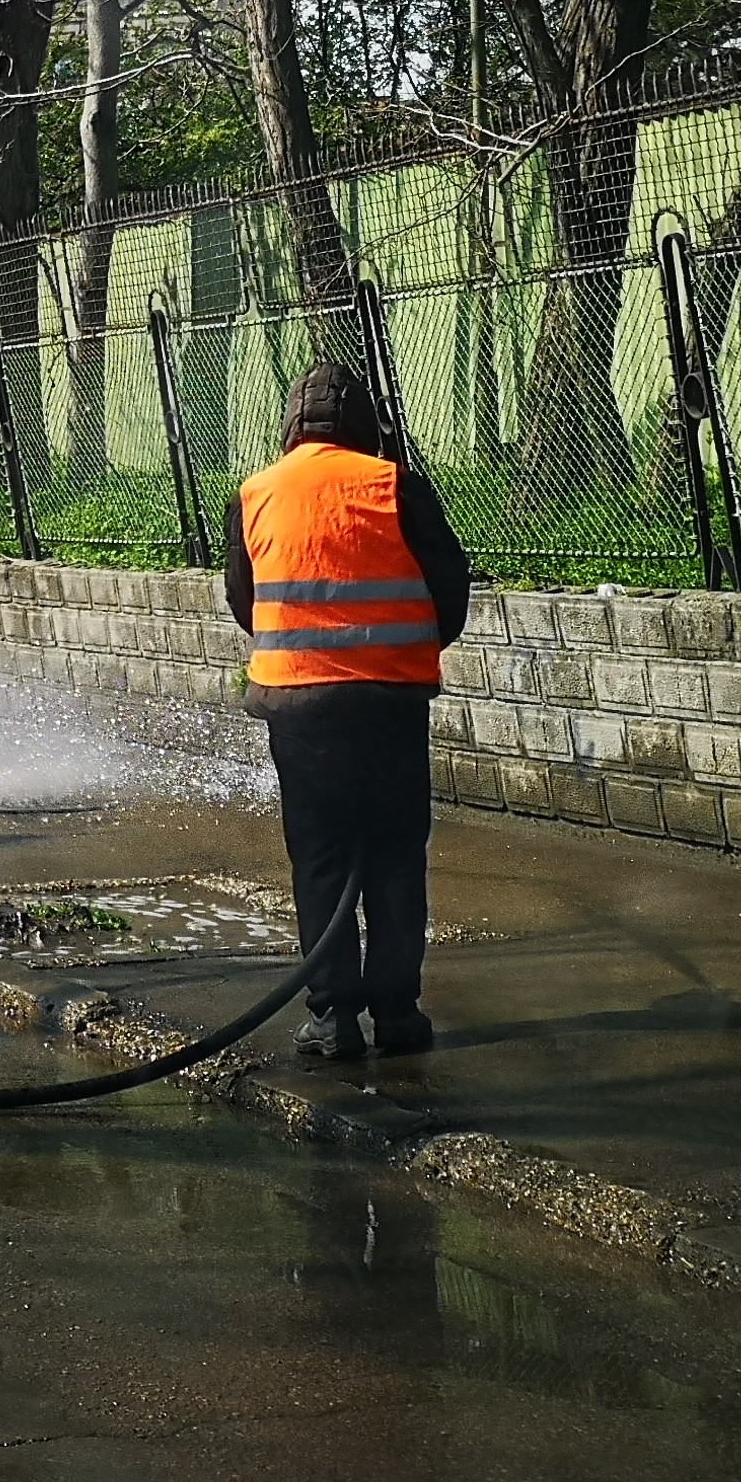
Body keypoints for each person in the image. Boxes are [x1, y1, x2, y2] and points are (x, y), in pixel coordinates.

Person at [223, 359, 470, 1062]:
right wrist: (407, 651)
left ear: (292, 426)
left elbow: (245, 601)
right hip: (390, 703)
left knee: (323, 858)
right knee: (394, 855)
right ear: (364, 427)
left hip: (298, 708)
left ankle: (332, 1019)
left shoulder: (256, 495)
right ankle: (397, 1015)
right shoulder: (397, 486)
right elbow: (449, 587)